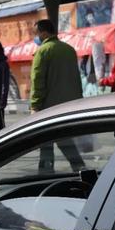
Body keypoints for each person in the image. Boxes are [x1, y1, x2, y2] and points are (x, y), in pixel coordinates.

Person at [31, 19, 85, 172]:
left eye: (36, 33)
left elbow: (38, 81)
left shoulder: (43, 51)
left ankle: (46, 172)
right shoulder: (69, 49)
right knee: (63, 138)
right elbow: (76, 78)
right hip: (68, 104)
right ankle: (78, 165)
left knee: (46, 140)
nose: (36, 37)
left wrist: (35, 105)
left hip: (49, 105)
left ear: (44, 32)